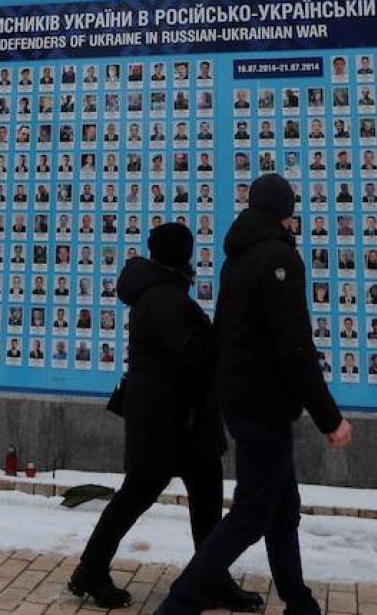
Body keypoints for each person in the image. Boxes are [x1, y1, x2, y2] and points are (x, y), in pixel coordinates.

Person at [153, 174, 352, 615]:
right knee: (251, 515)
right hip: (263, 404)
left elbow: (225, 331)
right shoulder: (280, 260)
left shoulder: (237, 258)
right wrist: (330, 419)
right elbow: (295, 345)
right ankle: (180, 602)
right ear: (286, 213)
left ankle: (299, 602)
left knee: (281, 509)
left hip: (243, 400)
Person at [69, 223, 262, 612]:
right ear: (183, 255)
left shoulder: (159, 293)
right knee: (139, 497)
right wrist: (227, 330)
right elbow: (192, 353)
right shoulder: (165, 298)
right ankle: (92, 570)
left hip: (174, 419)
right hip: (171, 421)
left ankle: (209, 576)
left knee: (196, 495)